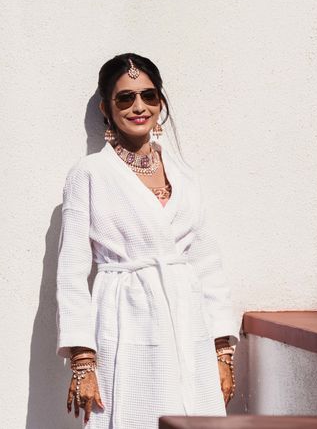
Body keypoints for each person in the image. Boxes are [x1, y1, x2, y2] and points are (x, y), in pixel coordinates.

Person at [56, 53, 237, 427]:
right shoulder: (89, 174)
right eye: (125, 98)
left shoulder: (184, 173)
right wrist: (82, 361)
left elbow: (207, 264)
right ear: (107, 108)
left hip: (189, 326)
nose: (139, 107)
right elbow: (71, 272)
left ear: (160, 103)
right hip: (126, 319)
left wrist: (221, 351)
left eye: (149, 96)